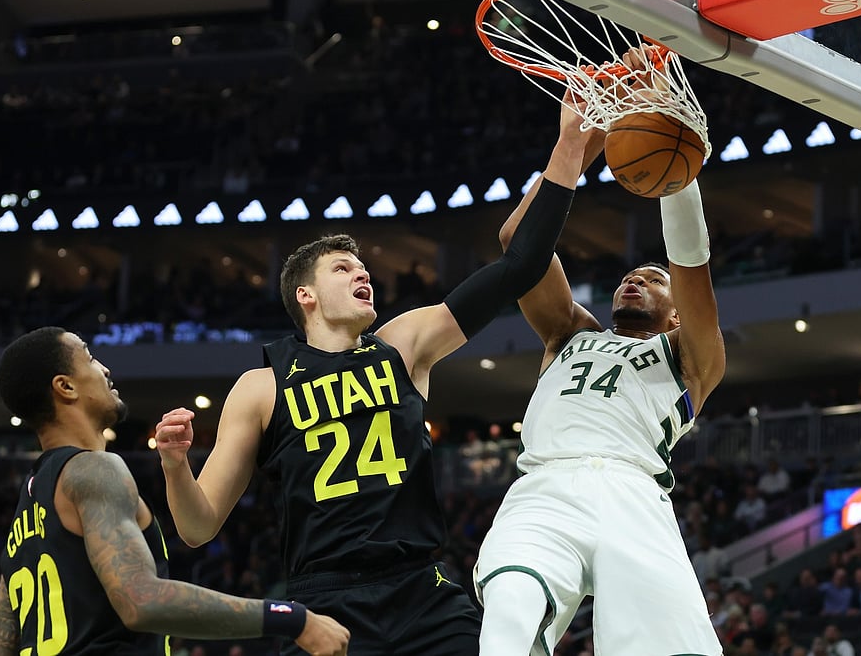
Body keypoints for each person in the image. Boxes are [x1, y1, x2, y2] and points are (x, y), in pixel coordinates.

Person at [154, 92, 600, 655]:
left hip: (422, 592)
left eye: (364, 269)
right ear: (306, 295)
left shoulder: (402, 345)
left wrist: (569, 146)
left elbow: (521, 266)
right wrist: (175, 465)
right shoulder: (262, 385)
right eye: (344, 269)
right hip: (324, 601)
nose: (363, 275)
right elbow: (197, 527)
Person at [472, 49, 725, 656]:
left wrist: (673, 154)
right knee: (509, 611)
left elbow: (690, 261)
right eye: (629, 277)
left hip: (631, 494)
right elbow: (518, 242)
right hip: (544, 487)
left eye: (652, 280)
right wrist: (578, 145)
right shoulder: (569, 333)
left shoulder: (691, 357)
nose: (634, 281)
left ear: (675, 312)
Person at [0, 327, 350, 656]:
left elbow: (1, 648)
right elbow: (142, 601)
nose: (105, 369)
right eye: (89, 357)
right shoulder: (93, 469)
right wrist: (290, 617)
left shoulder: (21, 523)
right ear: (65, 387)